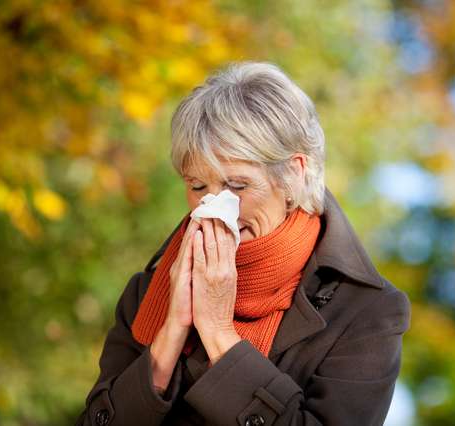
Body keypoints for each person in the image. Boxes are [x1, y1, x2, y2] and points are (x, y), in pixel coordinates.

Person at [76, 61, 410, 426]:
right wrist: (170, 334)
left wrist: (219, 335)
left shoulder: (366, 311)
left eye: (237, 186)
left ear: (295, 174)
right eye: (197, 186)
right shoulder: (148, 293)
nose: (217, 208)